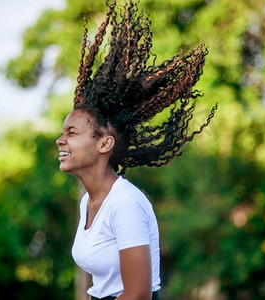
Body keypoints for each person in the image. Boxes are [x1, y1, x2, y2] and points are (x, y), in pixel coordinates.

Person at [56, 1, 217, 299]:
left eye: (71, 132)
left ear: (105, 144)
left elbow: (138, 294)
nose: (60, 140)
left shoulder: (125, 204)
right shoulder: (89, 203)